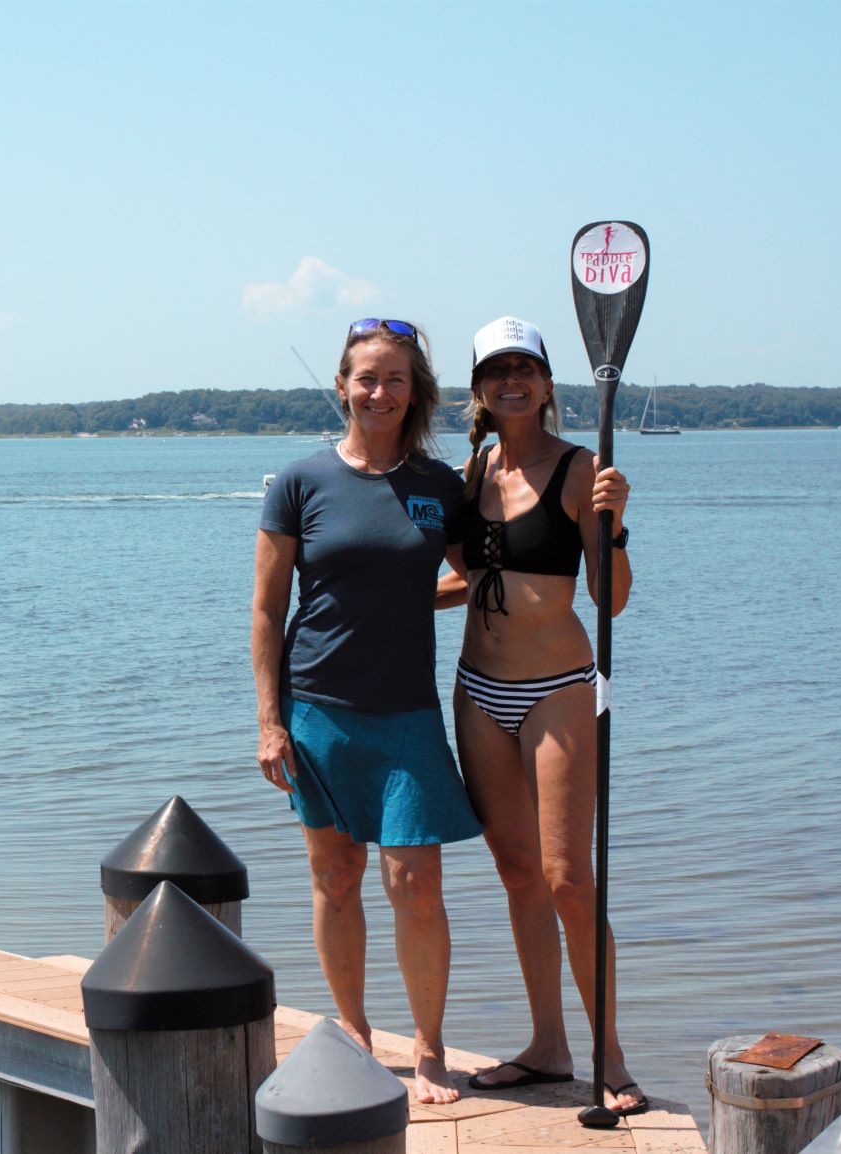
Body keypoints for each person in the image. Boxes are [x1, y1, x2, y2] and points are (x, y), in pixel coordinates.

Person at [253, 318, 483, 1105]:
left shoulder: (438, 485)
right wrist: (268, 719)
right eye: (365, 378)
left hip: (407, 714)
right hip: (316, 709)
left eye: (394, 379)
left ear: (413, 390)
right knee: (336, 877)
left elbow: (480, 576)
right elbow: (265, 609)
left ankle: (427, 1049)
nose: (379, 392)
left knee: (416, 882)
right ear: (343, 385)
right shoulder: (299, 482)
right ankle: (353, 1034)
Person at [441, 316, 646, 1116]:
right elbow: (475, 577)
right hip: (476, 690)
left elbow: (612, 601)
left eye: (525, 366)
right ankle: (547, 1046)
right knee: (517, 873)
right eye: (496, 369)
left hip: (558, 688)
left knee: (569, 880)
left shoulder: (581, 469)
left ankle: (611, 1061)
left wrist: (614, 525)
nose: (511, 380)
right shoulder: (472, 470)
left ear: (550, 382)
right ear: (480, 390)